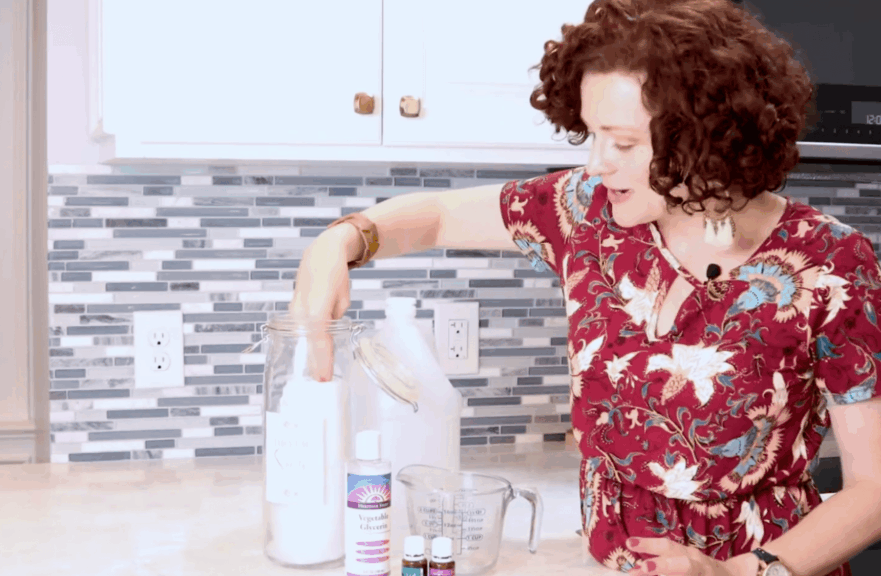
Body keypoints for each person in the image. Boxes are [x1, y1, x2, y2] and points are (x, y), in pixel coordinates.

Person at [289, 0, 881, 574]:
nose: (597, 163)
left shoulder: (830, 264)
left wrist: (744, 572)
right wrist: (340, 242)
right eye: (590, 135)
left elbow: (873, 491)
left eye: (623, 144)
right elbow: (439, 216)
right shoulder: (584, 213)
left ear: (708, 137)